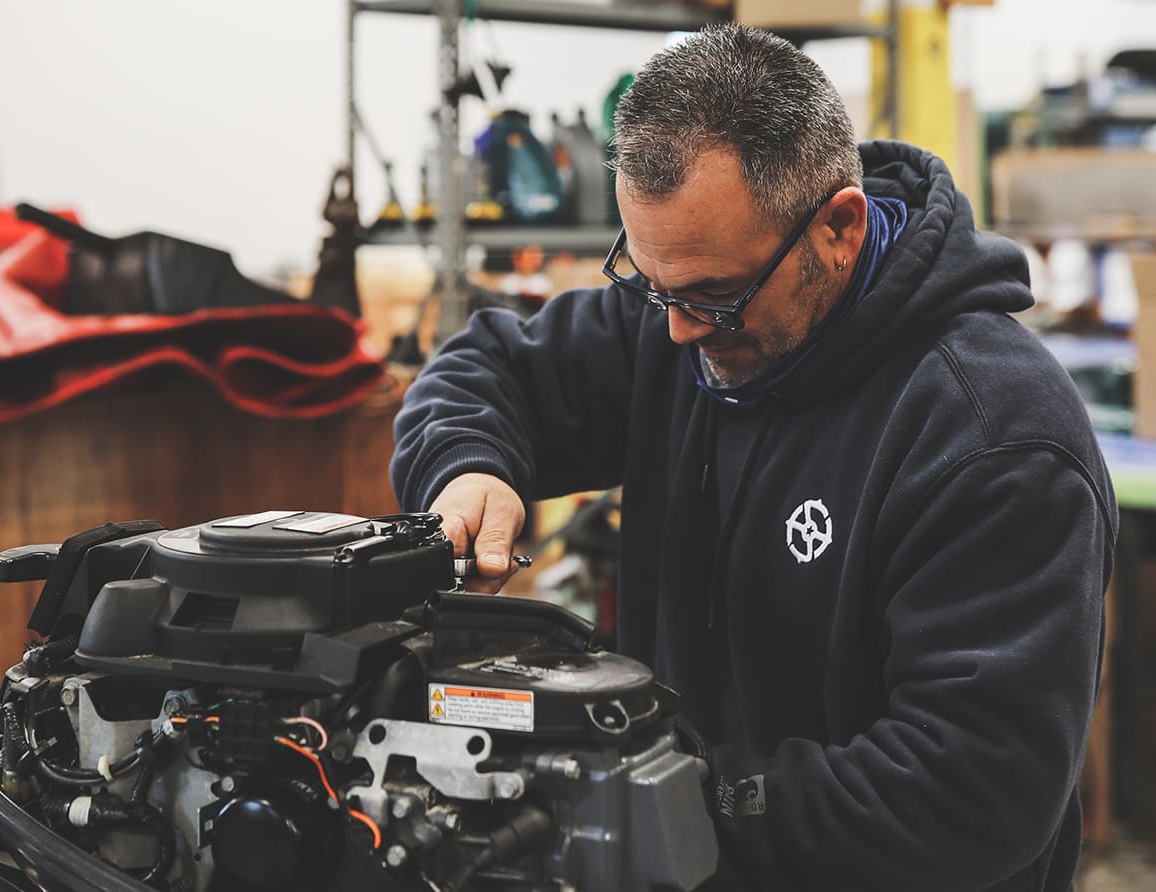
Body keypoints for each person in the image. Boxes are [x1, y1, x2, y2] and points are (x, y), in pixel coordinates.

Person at [391, 23, 1115, 892]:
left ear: (839, 227)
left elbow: (970, 790)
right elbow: (484, 367)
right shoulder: (684, 315)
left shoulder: (991, 435)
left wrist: (661, 803)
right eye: (650, 283)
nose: (677, 330)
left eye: (713, 296)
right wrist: (468, 466)